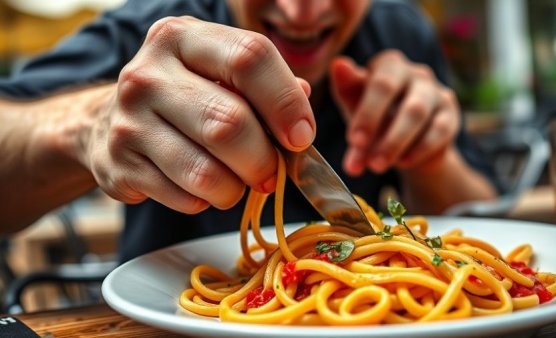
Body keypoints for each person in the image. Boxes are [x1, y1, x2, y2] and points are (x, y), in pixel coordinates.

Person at [0, 0, 497, 262]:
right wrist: (88, 125)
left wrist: (432, 160)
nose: (302, 11)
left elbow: (482, 219)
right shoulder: (155, 26)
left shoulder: (400, 33)